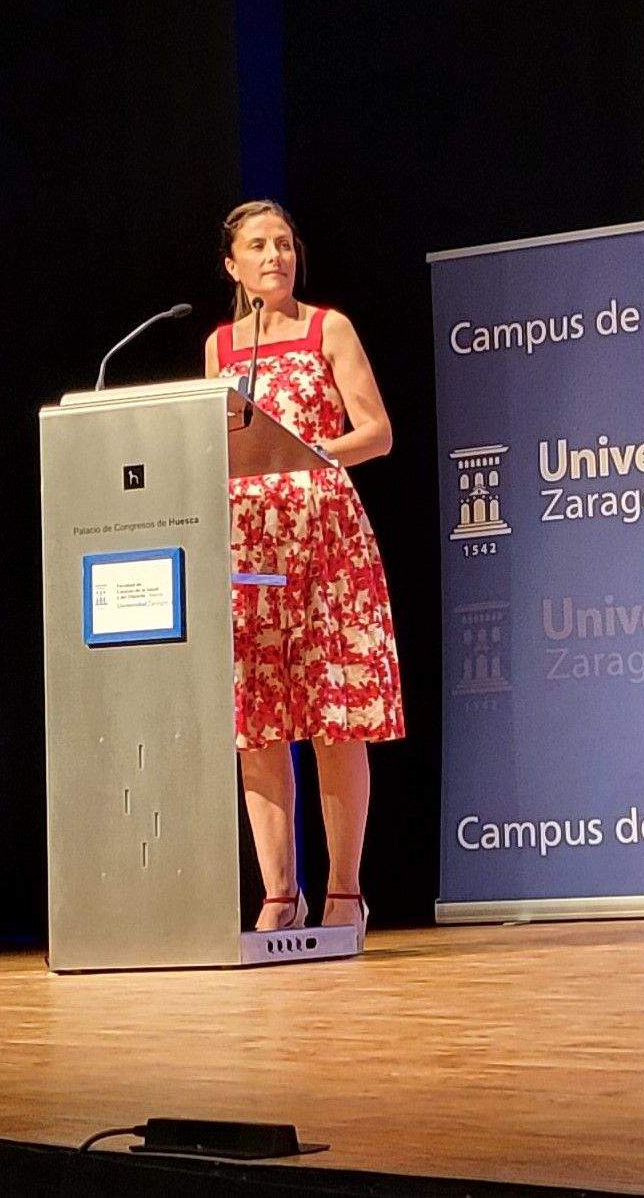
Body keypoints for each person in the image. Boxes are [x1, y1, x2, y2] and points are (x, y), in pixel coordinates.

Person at [205, 199, 403, 933]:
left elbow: (376, 432)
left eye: (284, 244)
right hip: (250, 543)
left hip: (325, 538)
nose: (274, 257)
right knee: (257, 722)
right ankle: (278, 894)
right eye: (257, 246)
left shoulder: (330, 327)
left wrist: (311, 452)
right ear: (233, 266)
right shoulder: (220, 347)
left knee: (335, 716)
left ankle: (345, 892)